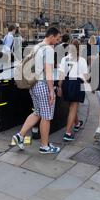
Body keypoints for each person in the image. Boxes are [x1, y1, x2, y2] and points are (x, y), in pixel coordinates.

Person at [12, 27, 62, 155]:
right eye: (56, 39)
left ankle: (20, 136)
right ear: (51, 36)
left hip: (33, 85)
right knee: (46, 116)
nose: (57, 42)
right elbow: (48, 72)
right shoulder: (49, 50)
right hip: (43, 85)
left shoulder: (36, 47)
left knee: (37, 112)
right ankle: (44, 146)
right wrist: (51, 90)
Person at [58, 39, 89, 142]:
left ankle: (76, 123)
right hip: (76, 83)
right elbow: (85, 76)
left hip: (66, 83)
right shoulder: (82, 60)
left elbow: (61, 75)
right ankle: (67, 133)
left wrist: (59, 87)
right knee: (73, 107)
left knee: (72, 106)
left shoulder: (64, 59)